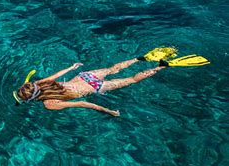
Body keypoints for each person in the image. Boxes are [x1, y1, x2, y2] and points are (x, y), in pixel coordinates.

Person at [12, 48, 210, 116]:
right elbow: (56, 74)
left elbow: (82, 103)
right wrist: (73, 68)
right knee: (115, 68)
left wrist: (108, 111)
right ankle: (140, 58)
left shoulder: (49, 104)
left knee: (132, 79)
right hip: (85, 76)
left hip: (96, 87)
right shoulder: (43, 83)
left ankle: (162, 66)